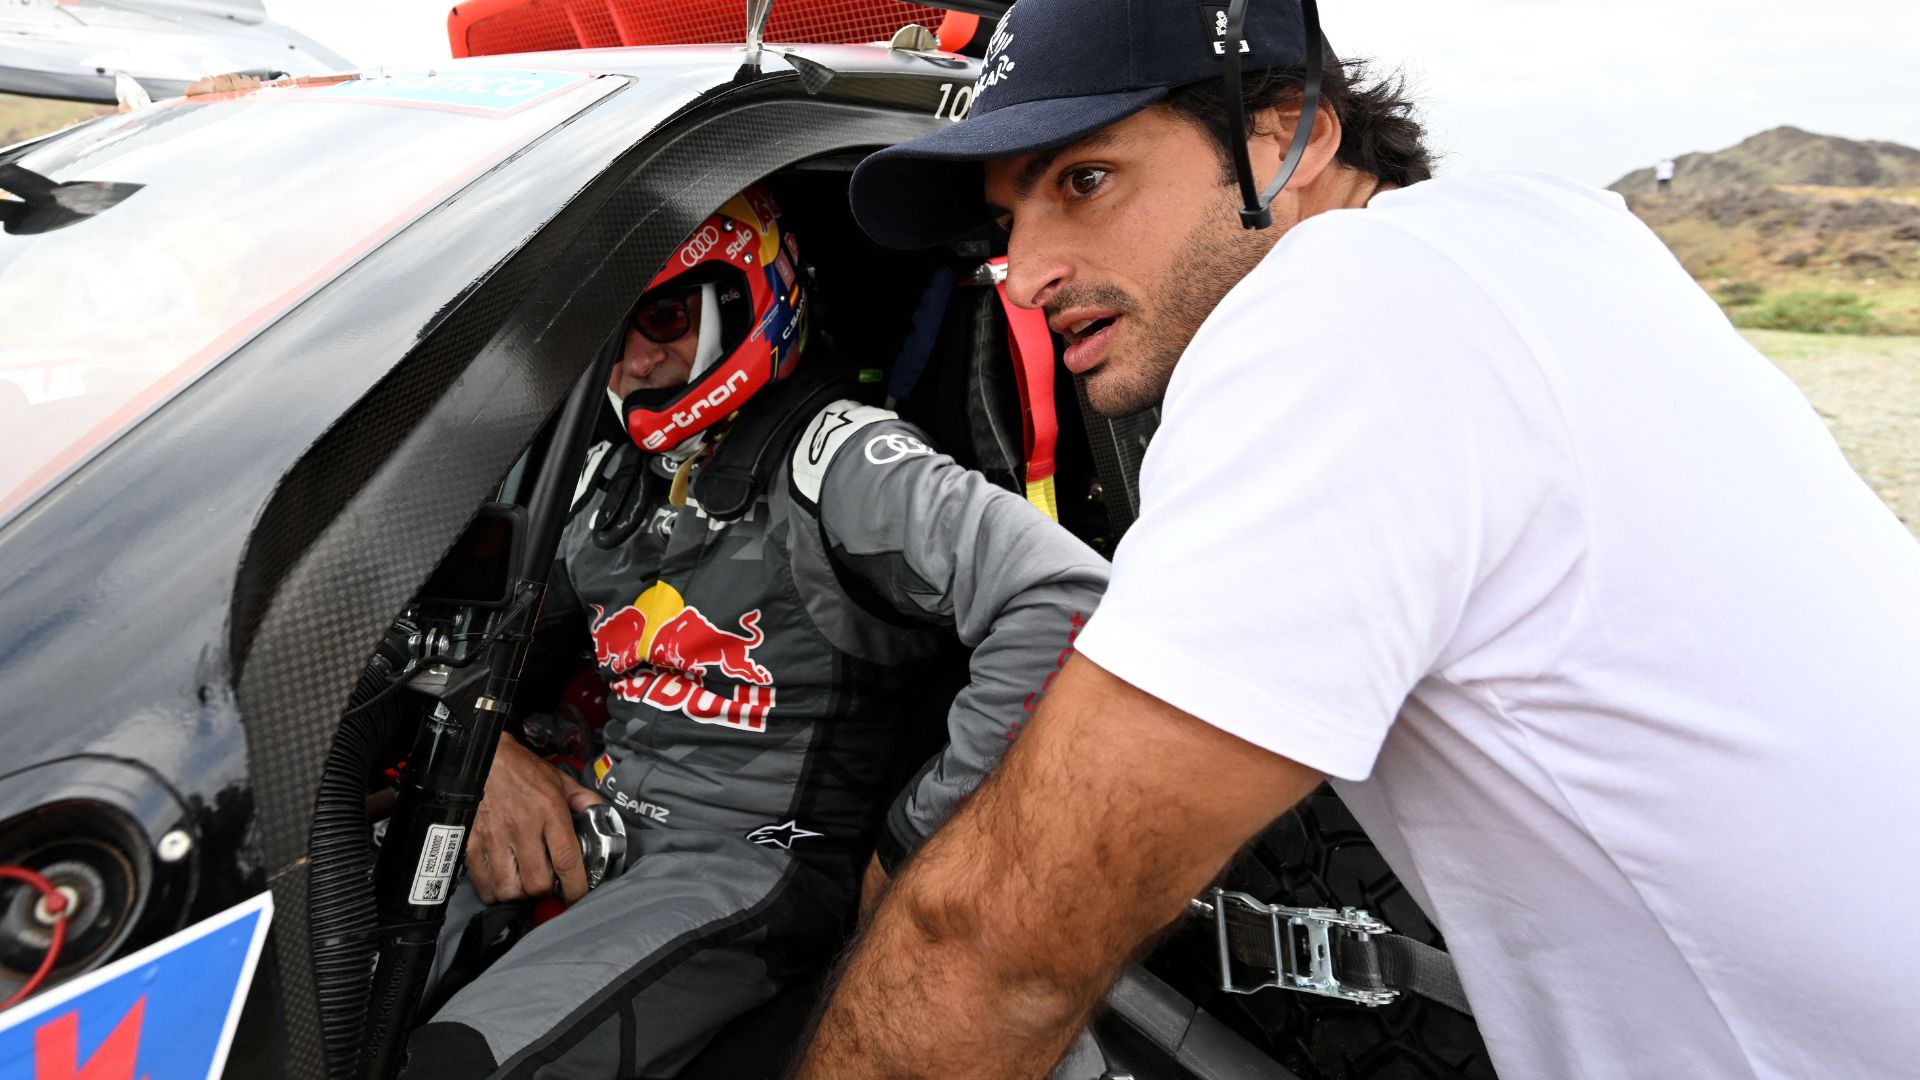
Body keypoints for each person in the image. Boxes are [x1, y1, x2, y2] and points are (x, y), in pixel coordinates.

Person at [796, 2, 1920, 1078]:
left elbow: (996, 949)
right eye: (1007, 224)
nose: (1025, 275)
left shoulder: (1343, 309)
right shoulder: (1549, 228)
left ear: (1290, 136)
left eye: (1084, 181)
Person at [397, 184, 1108, 1078]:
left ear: (745, 300)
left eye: (660, 317)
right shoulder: (610, 473)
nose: (631, 361)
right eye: (611, 328)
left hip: (749, 870)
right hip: (602, 818)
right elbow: (467, 639)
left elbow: (1069, 597)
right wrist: (492, 748)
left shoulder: (840, 458)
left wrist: (924, 841)